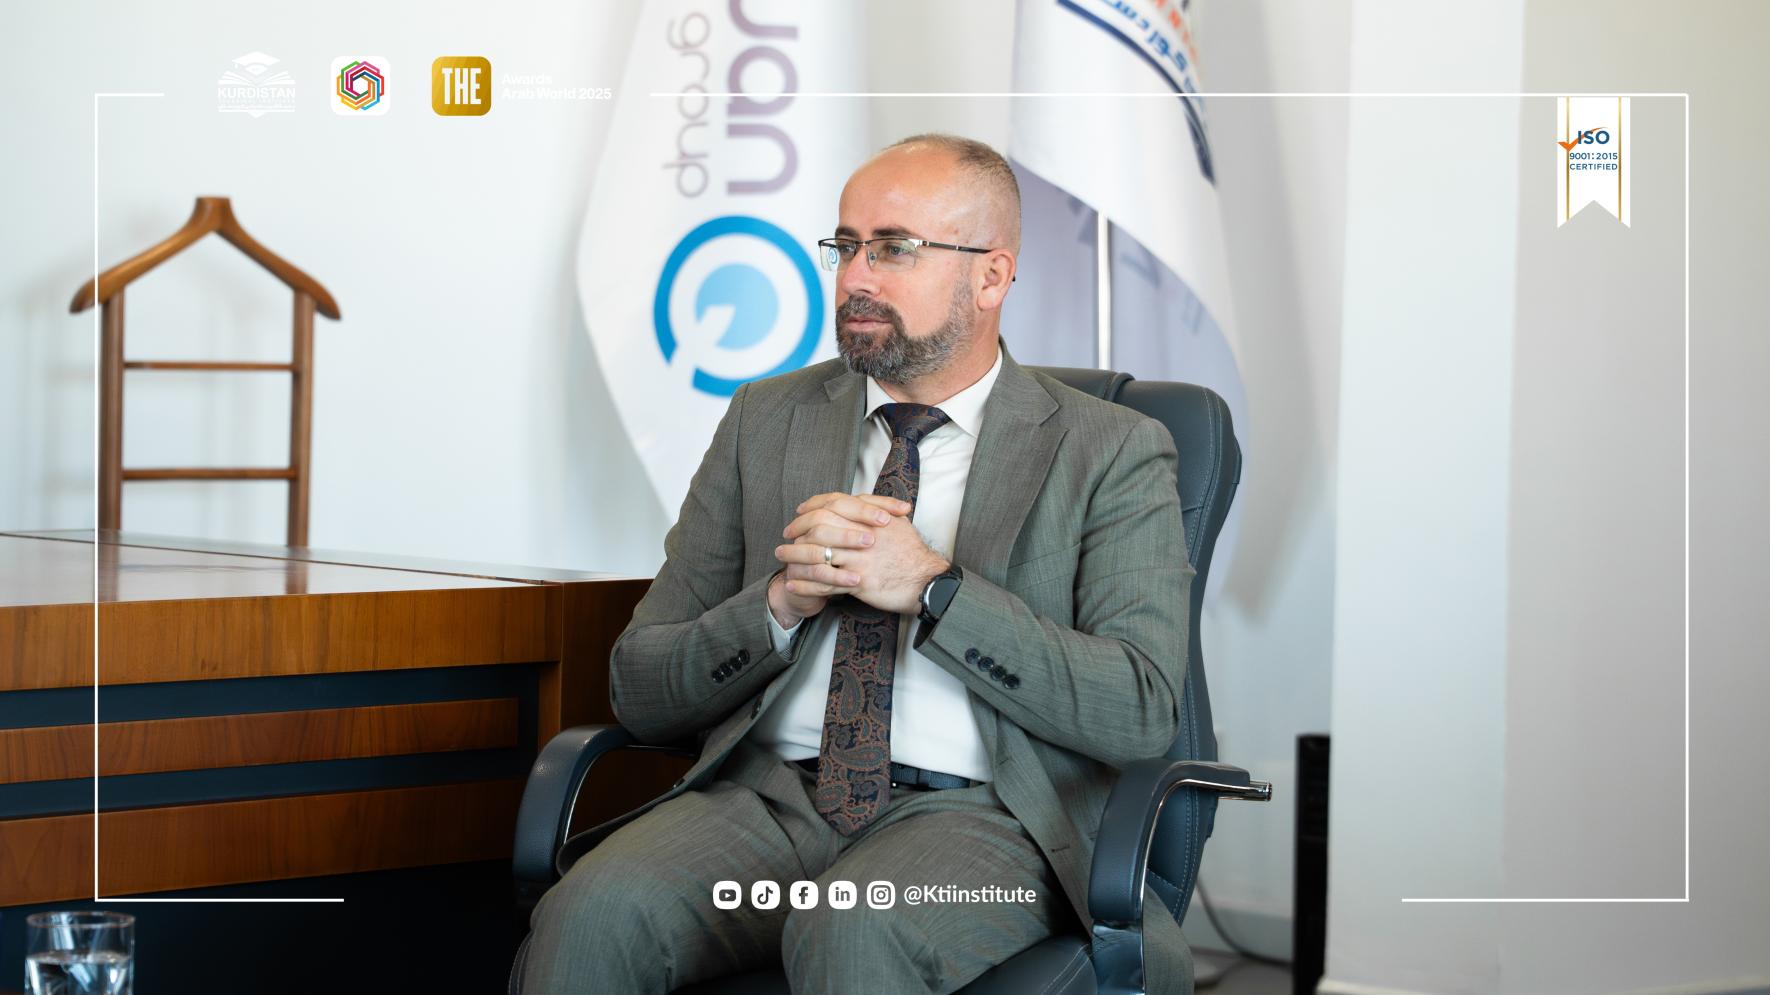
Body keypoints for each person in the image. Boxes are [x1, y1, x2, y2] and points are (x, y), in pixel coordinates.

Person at [521, 133, 1196, 994]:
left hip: (986, 820)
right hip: (770, 803)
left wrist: (934, 590)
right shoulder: (766, 419)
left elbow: (1139, 708)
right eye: (845, 246)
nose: (855, 278)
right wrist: (778, 604)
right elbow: (641, 686)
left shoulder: (1111, 448)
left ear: (991, 277)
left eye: (894, 248)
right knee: (591, 912)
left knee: (852, 924)